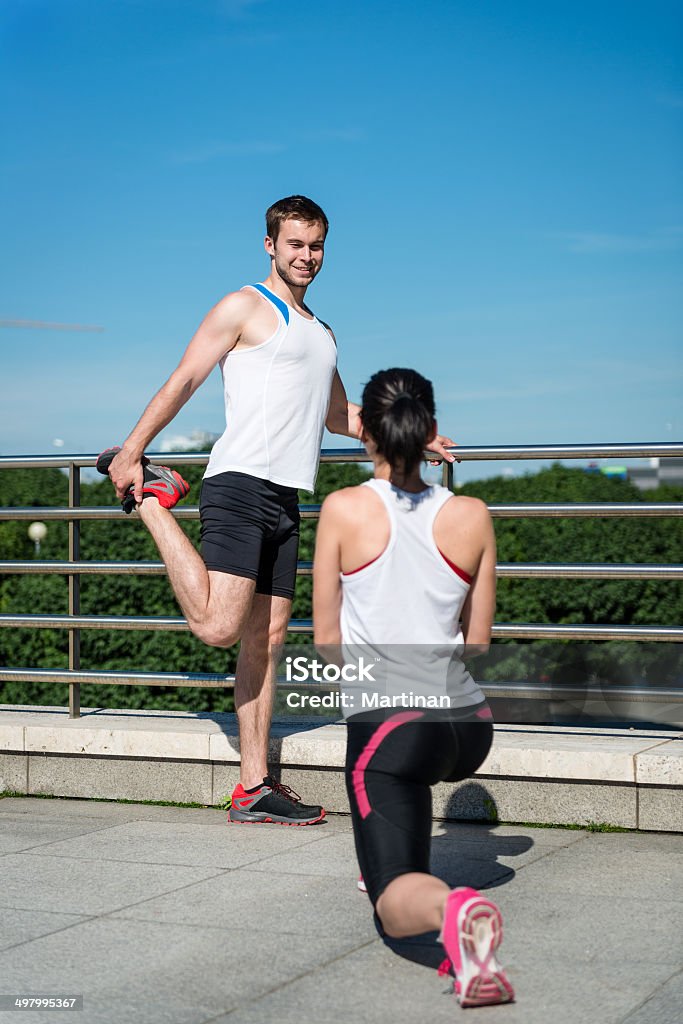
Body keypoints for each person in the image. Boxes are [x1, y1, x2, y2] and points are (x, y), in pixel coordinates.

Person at [98, 197, 456, 826]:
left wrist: (412, 432)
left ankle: (254, 787)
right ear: (270, 244)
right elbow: (185, 377)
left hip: (287, 495)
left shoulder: (321, 332)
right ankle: (153, 502)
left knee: (264, 640)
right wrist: (133, 452)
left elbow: (338, 416)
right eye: (294, 244)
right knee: (217, 627)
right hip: (239, 484)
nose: (306, 256)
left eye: (316, 246)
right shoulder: (243, 306)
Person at [312, 367, 514, 1007]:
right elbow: (477, 642)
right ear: (430, 430)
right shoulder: (472, 514)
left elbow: (325, 641)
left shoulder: (343, 510)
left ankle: (454, 911)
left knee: (393, 902)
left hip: (393, 728)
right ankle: (428, 885)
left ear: (364, 431)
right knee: (408, 790)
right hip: (468, 726)